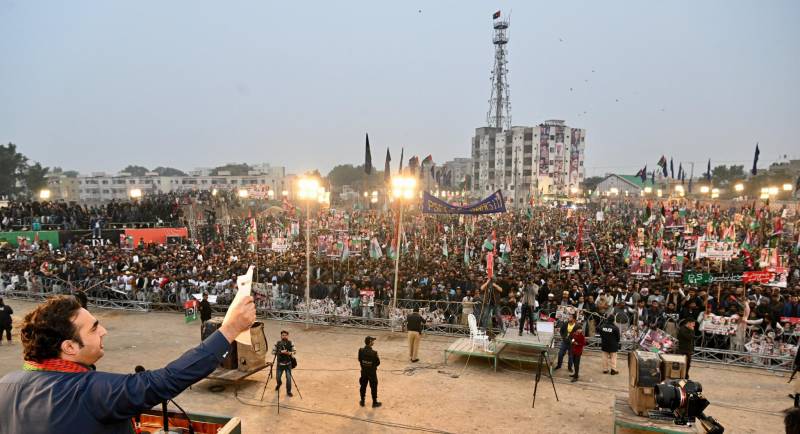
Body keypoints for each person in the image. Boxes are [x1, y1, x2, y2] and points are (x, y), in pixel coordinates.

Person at [0, 293, 255, 434]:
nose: (104, 332)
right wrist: (229, 330)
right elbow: (166, 380)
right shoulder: (90, 392)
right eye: (94, 329)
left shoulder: (6, 385)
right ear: (69, 347)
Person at [358, 336, 381, 408]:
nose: (373, 342)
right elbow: (378, 363)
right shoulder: (374, 353)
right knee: (373, 387)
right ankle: (374, 402)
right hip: (372, 373)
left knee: (363, 386)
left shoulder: (361, 350)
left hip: (364, 371)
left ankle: (362, 401)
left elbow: (359, 360)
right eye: (373, 341)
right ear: (370, 342)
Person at [273, 330, 295, 397]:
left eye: (285, 335)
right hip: (280, 364)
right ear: (281, 336)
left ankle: (288, 391)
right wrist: (280, 352)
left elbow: (294, 351)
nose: (284, 336)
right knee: (278, 377)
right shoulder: (277, 343)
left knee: (288, 379)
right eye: (283, 335)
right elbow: (272, 352)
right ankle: (279, 384)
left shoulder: (291, 343)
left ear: (287, 336)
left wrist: (288, 353)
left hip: (288, 364)